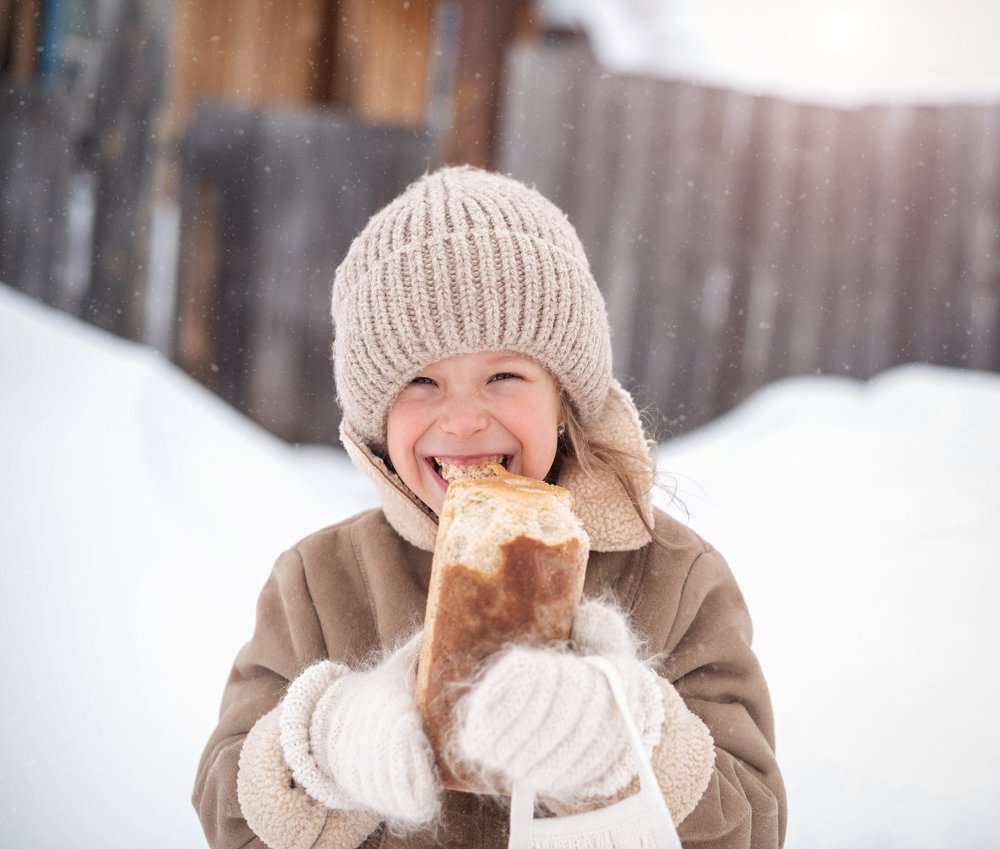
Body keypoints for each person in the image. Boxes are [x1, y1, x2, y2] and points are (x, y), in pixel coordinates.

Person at [193, 166, 786, 849]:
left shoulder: (677, 580)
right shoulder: (319, 584)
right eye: (421, 382)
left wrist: (631, 745)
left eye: (504, 376)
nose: (465, 420)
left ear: (563, 399)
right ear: (377, 420)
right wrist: (321, 752)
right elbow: (228, 820)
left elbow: (755, 824)